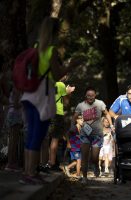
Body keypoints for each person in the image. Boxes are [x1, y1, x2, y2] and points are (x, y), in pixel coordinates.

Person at [19, 17, 85, 185]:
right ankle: (31, 173)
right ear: (56, 33)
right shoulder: (52, 50)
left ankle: (28, 172)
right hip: (43, 96)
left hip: (29, 95)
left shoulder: (35, 48)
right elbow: (56, 75)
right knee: (38, 135)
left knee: (32, 134)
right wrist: (72, 65)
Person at [73, 86, 113, 184]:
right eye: (88, 95)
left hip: (97, 135)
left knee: (95, 157)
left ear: (95, 95)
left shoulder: (100, 104)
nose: (90, 97)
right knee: (84, 155)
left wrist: (111, 124)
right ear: (85, 95)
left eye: (92, 95)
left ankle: (95, 165)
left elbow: (107, 114)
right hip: (85, 134)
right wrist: (76, 122)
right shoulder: (80, 105)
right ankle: (84, 177)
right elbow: (74, 117)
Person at [47, 76, 75, 170]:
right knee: (55, 139)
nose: (66, 76)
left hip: (48, 113)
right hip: (57, 113)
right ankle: (52, 163)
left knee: (47, 139)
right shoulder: (61, 84)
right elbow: (66, 102)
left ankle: (47, 161)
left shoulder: (50, 84)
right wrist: (69, 92)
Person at [4, 87, 23, 172]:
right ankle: (10, 163)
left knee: (13, 140)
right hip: (15, 115)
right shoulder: (17, 89)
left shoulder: (15, 89)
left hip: (13, 114)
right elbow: (16, 104)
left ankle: (11, 163)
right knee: (13, 141)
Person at [64, 114, 83, 178]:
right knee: (79, 160)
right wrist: (68, 143)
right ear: (77, 120)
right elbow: (66, 134)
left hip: (79, 147)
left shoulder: (81, 129)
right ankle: (78, 174)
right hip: (74, 147)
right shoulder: (74, 128)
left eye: (83, 120)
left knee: (76, 161)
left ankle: (67, 167)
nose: (82, 121)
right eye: (81, 120)